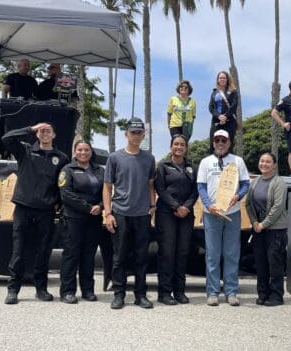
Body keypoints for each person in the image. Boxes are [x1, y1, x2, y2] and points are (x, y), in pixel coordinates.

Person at [2, 123, 69, 305]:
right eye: (41, 130)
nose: (45, 133)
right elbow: (6, 138)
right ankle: (13, 289)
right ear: (37, 134)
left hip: (46, 211)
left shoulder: (61, 158)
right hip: (23, 207)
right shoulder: (25, 151)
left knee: (43, 252)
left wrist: (58, 204)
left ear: (54, 135)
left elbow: (63, 185)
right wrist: (31, 128)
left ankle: (41, 289)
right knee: (18, 251)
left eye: (48, 130)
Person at [103, 117, 156, 310]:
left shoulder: (149, 158)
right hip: (120, 214)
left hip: (142, 215)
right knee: (119, 257)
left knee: (142, 257)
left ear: (143, 135)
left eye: (139, 132)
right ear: (126, 134)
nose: (136, 135)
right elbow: (107, 188)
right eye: (132, 132)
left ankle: (140, 295)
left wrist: (152, 207)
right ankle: (119, 294)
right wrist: (108, 213)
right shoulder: (115, 158)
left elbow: (151, 186)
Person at [197, 129, 250, 306]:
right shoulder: (206, 162)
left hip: (232, 213)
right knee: (212, 254)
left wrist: (238, 196)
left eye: (223, 140)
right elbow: (201, 186)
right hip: (211, 213)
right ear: (213, 142)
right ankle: (212, 292)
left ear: (229, 142)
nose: (220, 143)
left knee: (231, 254)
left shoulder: (238, 161)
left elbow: (245, 184)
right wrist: (208, 204)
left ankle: (231, 292)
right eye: (217, 140)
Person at [58, 141, 104, 304]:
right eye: (80, 150)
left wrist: (100, 206)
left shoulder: (99, 170)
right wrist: (88, 207)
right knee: (71, 254)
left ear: (91, 151)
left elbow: (106, 192)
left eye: (86, 149)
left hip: (94, 218)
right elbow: (66, 194)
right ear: (74, 152)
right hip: (73, 218)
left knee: (88, 255)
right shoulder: (67, 170)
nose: (83, 152)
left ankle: (87, 290)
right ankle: (68, 291)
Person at [155, 135, 198, 305]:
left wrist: (186, 207)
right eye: (176, 144)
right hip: (167, 214)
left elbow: (196, 190)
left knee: (182, 252)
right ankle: (164, 292)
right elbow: (160, 188)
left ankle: (179, 291)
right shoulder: (163, 166)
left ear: (186, 148)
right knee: (167, 252)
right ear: (171, 146)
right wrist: (175, 206)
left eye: (182, 145)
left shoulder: (192, 167)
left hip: (186, 214)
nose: (179, 147)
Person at [245, 153, 288, 306]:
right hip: (258, 229)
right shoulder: (255, 182)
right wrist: (254, 222)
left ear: (274, 165)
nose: (264, 164)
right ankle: (262, 294)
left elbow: (278, 207)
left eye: (268, 162)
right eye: (262, 161)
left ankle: (276, 296)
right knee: (261, 263)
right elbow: (248, 204)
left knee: (274, 263)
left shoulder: (279, 182)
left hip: (275, 229)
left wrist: (264, 224)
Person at [208, 71, 239, 145]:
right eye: (220, 78)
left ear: (227, 79)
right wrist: (219, 116)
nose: (222, 79)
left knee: (228, 144)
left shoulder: (233, 91)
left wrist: (225, 116)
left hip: (230, 121)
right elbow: (211, 107)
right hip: (216, 121)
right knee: (214, 143)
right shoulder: (214, 93)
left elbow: (234, 106)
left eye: (224, 78)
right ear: (218, 80)